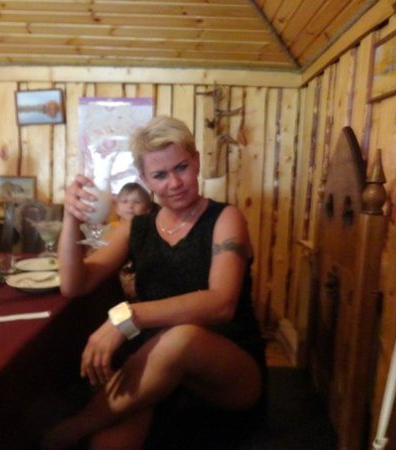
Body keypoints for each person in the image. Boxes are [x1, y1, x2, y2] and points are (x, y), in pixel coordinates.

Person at [45, 116, 264, 449]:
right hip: (156, 369)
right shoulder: (137, 228)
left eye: (181, 168)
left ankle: (75, 427)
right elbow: (74, 285)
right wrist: (71, 219)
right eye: (160, 175)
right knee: (109, 443)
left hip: (227, 373)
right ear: (145, 179)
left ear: (196, 162)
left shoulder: (225, 218)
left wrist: (126, 317)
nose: (174, 183)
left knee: (181, 338)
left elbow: (221, 303)